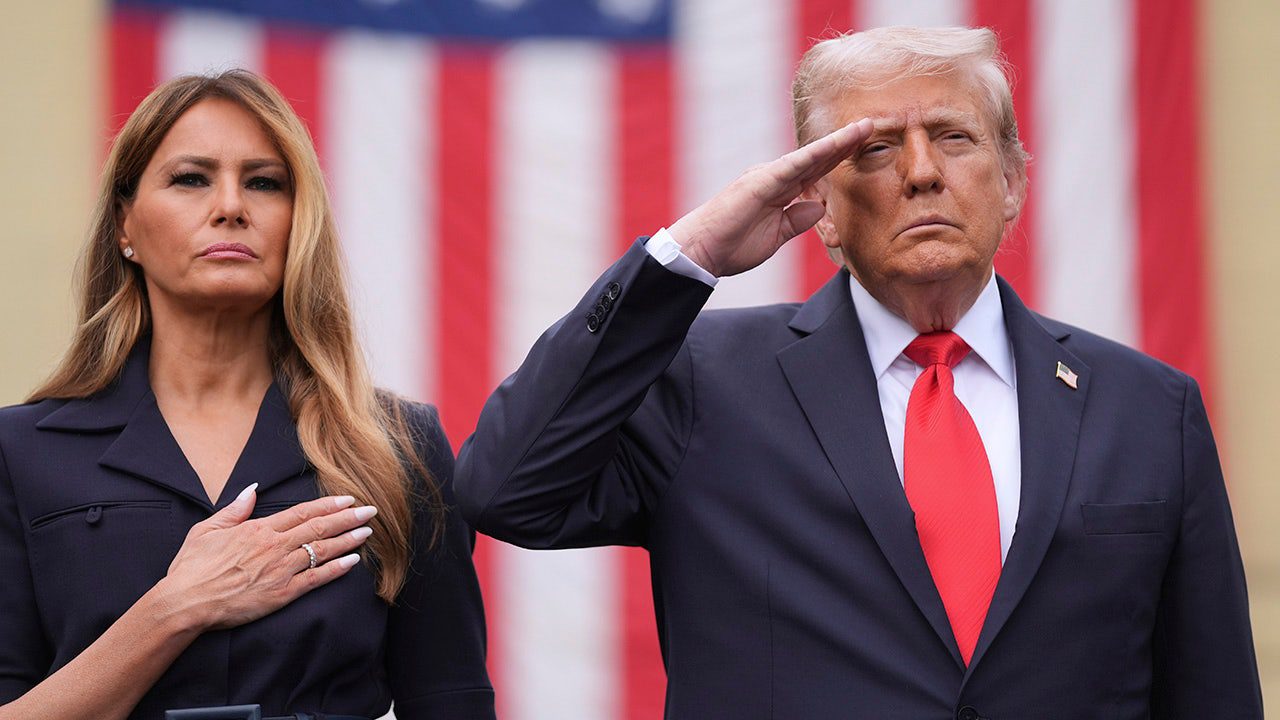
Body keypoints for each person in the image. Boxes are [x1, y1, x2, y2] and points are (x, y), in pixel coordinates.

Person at [453, 26, 1262, 718]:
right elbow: (505, 487)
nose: (919, 172)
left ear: (1012, 182)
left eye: (954, 136)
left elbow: (1211, 689)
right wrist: (687, 258)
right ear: (821, 212)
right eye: (873, 149)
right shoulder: (704, 383)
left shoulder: (1150, 408)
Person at [0, 70, 493, 720]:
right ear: (125, 225)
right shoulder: (21, 451)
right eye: (191, 178)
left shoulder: (398, 443)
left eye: (264, 182)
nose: (231, 205)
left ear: (298, 222)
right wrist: (178, 607)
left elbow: (451, 700)